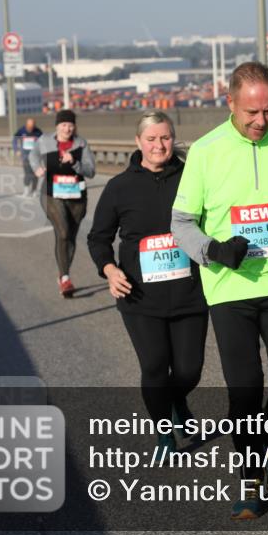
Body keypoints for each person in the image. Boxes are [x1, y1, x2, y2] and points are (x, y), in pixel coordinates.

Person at [171, 61, 268, 520]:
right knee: (245, 393)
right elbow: (181, 224)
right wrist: (215, 251)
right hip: (229, 289)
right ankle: (253, 477)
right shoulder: (205, 150)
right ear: (230, 104)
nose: (260, 121)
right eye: (250, 113)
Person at [87, 111, 208, 454]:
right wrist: (109, 269)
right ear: (138, 142)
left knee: (189, 370)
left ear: (174, 139)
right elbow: (98, 238)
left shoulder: (192, 178)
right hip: (139, 296)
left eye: (165, 137)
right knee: (154, 366)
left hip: (190, 293)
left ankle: (177, 399)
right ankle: (164, 433)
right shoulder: (119, 187)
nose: (159, 145)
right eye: (151, 139)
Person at [30, 109, 96, 297]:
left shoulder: (80, 144)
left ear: (74, 126)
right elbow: (32, 155)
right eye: (64, 125)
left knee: (70, 237)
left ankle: (63, 276)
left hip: (77, 196)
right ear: (57, 126)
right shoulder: (44, 141)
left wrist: (74, 161)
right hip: (51, 194)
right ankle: (66, 278)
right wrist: (37, 168)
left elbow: (91, 171)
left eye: (70, 125)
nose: (67, 128)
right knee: (64, 231)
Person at [12, 118, 43, 196]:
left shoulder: (38, 132)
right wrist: (16, 149)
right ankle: (26, 189)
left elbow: (43, 141)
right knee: (27, 173)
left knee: (36, 173)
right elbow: (15, 139)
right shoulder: (21, 131)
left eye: (32, 127)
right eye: (29, 127)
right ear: (26, 125)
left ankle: (34, 190)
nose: (30, 129)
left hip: (36, 156)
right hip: (25, 156)